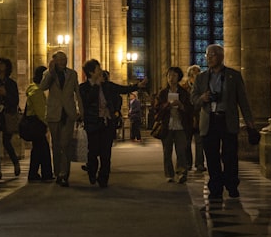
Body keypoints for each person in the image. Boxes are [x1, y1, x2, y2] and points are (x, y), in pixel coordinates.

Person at [192, 44, 256, 201]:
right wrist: (202, 98)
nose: (208, 57)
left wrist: (250, 124)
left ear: (221, 56)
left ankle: (232, 185)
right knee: (212, 156)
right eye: (207, 55)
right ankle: (215, 187)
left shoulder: (233, 76)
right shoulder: (201, 78)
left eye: (212, 54)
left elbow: (243, 101)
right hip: (209, 120)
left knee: (230, 156)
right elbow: (192, 99)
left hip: (227, 120)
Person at [78, 59, 147, 187]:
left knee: (106, 153)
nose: (100, 71)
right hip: (93, 124)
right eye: (98, 69)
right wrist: (96, 86)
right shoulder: (83, 88)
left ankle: (103, 178)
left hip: (107, 123)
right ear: (91, 72)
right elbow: (87, 101)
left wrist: (137, 86)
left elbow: (121, 89)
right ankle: (92, 172)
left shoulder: (107, 85)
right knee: (93, 151)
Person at [38, 50, 82, 187]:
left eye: (65, 59)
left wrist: (81, 110)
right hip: (54, 113)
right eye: (60, 59)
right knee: (56, 145)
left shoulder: (72, 74)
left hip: (68, 113)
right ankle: (57, 172)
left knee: (65, 144)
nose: (63, 62)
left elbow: (78, 94)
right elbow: (42, 87)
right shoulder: (48, 74)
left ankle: (64, 174)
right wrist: (51, 72)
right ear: (54, 61)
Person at [153, 66, 194, 183]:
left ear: (179, 77)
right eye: (169, 75)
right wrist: (167, 105)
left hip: (180, 125)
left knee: (181, 150)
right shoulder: (163, 93)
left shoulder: (184, 93)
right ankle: (169, 174)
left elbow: (190, 109)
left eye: (174, 75)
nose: (171, 78)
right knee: (167, 151)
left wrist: (181, 106)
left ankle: (181, 172)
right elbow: (156, 108)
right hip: (167, 125)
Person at [24, 65, 54, 182]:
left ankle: (34, 174)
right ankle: (46, 174)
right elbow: (40, 111)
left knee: (37, 149)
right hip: (36, 123)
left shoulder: (34, 89)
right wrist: (47, 123)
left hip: (35, 122)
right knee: (43, 148)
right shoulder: (37, 91)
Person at [182, 64, 206, 171]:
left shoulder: (202, 88)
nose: (197, 76)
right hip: (187, 119)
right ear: (190, 76)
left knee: (200, 142)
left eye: (198, 74)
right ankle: (188, 163)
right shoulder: (184, 88)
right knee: (187, 142)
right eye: (195, 74)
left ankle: (199, 163)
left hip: (199, 117)